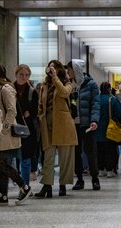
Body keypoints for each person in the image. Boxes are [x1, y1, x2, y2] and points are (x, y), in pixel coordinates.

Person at [0, 65, 32, 205]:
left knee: (2, 164)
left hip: (5, 133)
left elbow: (12, 111)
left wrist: (4, 128)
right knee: (0, 163)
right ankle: (3, 194)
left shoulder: (6, 89)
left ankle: (24, 187)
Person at [34, 59, 78, 198]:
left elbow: (65, 93)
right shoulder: (44, 85)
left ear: (59, 69)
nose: (51, 69)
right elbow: (41, 104)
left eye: (54, 67)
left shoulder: (67, 83)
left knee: (65, 157)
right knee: (48, 157)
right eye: (49, 67)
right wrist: (40, 115)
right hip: (48, 125)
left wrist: (55, 78)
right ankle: (47, 186)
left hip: (64, 124)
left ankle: (63, 185)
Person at [67, 59, 100, 191]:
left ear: (76, 70)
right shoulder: (69, 86)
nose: (68, 72)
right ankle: (79, 179)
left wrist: (94, 120)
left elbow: (95, 104)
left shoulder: (91, 85)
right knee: (76, 152)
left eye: (69, 70)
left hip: (87, 124)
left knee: (90, 152)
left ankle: (95, 178)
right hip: (74, 124)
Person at [13, 64, 40, 185]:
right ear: (16, 75)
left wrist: (29, 113)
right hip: (13, 127)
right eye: (21, 75)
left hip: (27, 130)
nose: (24, 77)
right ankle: (18, 183)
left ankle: (25, 186)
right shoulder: (10, 89)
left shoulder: (32, 92)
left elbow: (35, 111)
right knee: (12, 159)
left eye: (26, 75)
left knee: (25, 159)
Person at [97, 81, 121, 178]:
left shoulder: (96, 99)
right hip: (110, 129)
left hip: (97, 130)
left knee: (100, 150)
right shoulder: (112, 99)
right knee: (110, 150)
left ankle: (101, 170)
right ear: (109, 89)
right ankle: (110, 170)